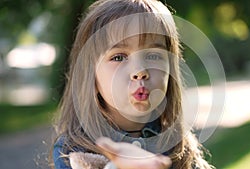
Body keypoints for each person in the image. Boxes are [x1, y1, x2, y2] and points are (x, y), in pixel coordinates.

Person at [50, 0, 214, 168]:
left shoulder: (179, 146)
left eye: (153, 56)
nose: (140, 71)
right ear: (90, 76)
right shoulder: (73, 150)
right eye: (119, 57)